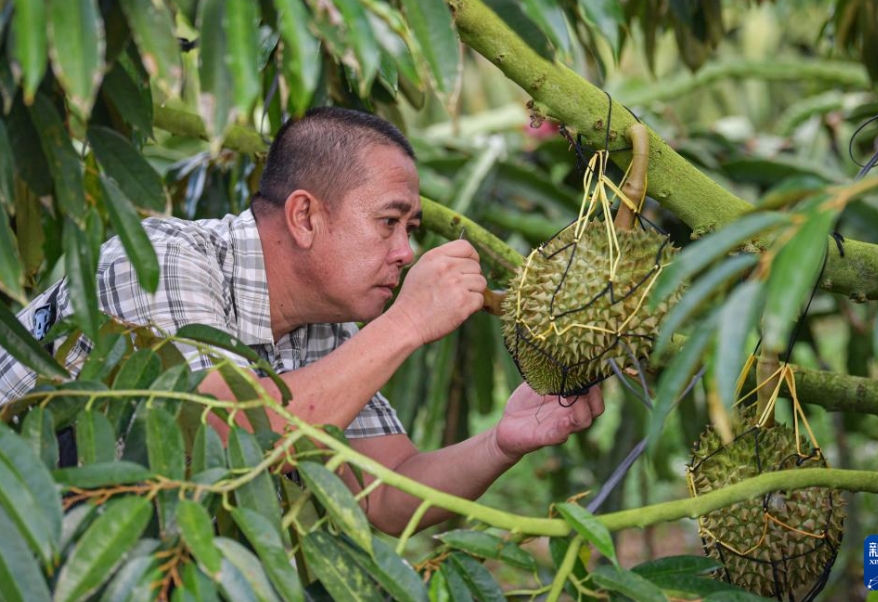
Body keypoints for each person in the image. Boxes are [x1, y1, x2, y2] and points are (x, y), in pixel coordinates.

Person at [0, 107, 604, 535]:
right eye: (388, 222)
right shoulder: (161, 259)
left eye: (411, 229)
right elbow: (218, 436)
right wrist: (406, 324)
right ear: (306, 217)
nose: (405, 252)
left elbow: (385, 491)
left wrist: (503, 441)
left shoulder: (325, 326)